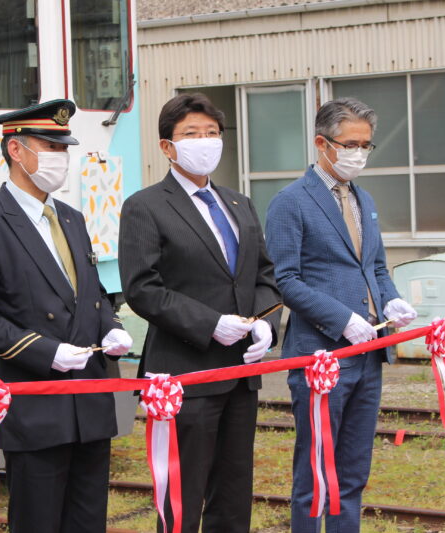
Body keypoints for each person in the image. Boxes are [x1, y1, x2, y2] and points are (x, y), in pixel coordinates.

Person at [0, 99, 133, 533]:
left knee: (88, 522)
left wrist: (113, 328)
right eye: (50, 147)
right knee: (38, 522)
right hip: (37, 405)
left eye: (63, 148)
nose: (61, 158)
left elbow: (90, 293)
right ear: (16, 151)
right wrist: (47, 352)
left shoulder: (70, 217)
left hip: (89, 402)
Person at [119, 92, 281, 533]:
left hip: (241, 373)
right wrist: (211, 324)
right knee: (182, 494)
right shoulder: (146, 206)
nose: (205, 141)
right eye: (192, 134)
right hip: (183, 373)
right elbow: (142, 288)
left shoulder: (238, 203)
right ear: (166, 146)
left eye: (212, 133)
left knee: (233, 490)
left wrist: (266, 324)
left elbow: (263, 275)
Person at [264, 97, 418, 533]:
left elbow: (376, 266)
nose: (359, 154)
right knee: (316, 474)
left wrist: (389, 299)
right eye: (350, 144)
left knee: (352, 473)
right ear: (321, 143)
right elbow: (286, 280)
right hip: (321, 358)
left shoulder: (363, 198)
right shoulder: (290, 202)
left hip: (369, 356)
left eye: (367, 145)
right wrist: (342, 319)